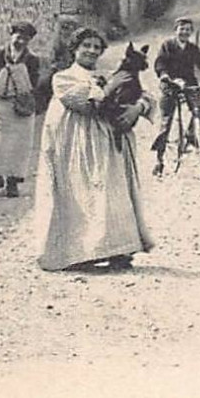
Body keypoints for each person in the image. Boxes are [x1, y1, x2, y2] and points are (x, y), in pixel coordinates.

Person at [31, 27, 154, 272]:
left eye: (97, 47)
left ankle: (118, 250)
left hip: (106, 145)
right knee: (79, 194)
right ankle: (80, 251)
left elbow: (145, 94)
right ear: (75, 49)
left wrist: (137, 108)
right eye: (86, 45)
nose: (91, 51)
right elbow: (86, 104)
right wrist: (110, 87)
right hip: (74, 145)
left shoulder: (107, 76)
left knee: (110, 193)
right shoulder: (63, 77)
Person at [0, 21, 44, 198]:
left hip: (20, 104)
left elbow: (34, 82)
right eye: (18, 36)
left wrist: (22, 94)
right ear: (11, 35)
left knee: (18, 144)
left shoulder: (32, 59)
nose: (21, 41)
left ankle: (13, 182)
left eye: (25, 38)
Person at [150, 16, 200, 176]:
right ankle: (159, 160)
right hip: (170, 84)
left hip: (189, 84)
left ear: (191, 32)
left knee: (199, 111)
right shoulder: (168, 45)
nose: (185, 32)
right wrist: (165, 75)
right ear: (176, 30)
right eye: (182, 29)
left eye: (188, 30)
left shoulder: (192, 48)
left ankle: (191, 134)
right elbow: (160, 63)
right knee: (166, 122)